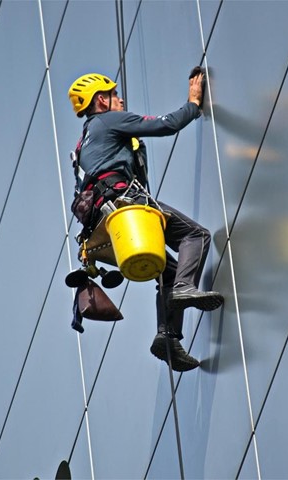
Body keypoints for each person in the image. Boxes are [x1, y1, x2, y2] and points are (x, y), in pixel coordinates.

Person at [67, 69, 223, 372]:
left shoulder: (85, 141)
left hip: (103, 226)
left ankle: (168, 339)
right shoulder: (108, 120)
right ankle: (184, 289)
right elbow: (167, 125)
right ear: (101, 100)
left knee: (169, 270)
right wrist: (193, 103)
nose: (120, 98)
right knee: (196, 236)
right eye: (114, 94)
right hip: (125, 205)